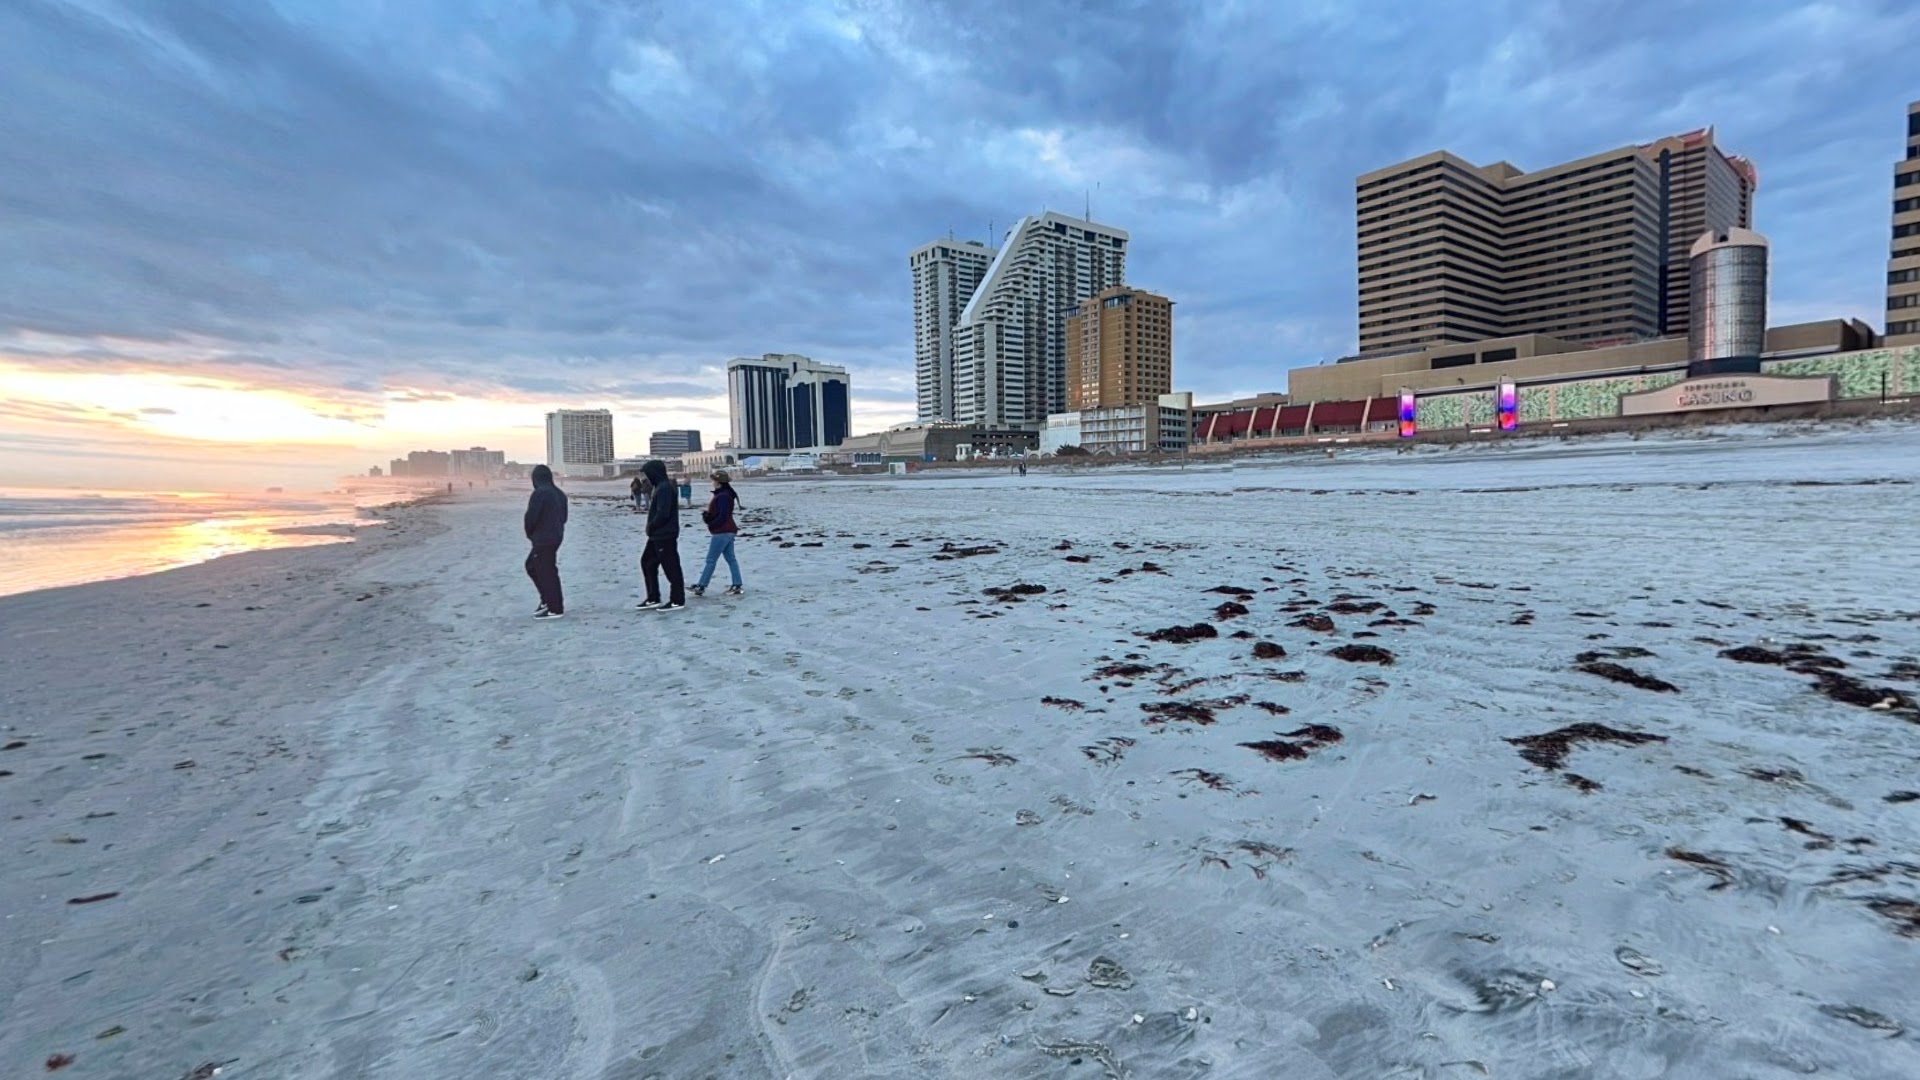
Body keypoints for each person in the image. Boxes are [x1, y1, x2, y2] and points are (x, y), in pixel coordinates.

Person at [636, 459, 685, 612]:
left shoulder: (664, 488)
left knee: (671, 567)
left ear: (655, 473)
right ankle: (653, 597)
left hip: (664, 535)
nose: (647, 477)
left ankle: (677, 600)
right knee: (647, 563)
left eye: (648, 473)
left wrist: (651, 526)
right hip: (657, 535)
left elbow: (663, 513)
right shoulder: (660, 486)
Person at [523, 464, 568, 619]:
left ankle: (555, 608)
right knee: (533, 566)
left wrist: (531, 535)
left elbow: (531, 518)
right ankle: (547, 600)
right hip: (555, 537)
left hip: (544, 539)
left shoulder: (540, 493)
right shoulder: (559, 493)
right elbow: (564, 517)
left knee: (546, 571)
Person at [690, 470, 743, 597]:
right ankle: (737, 584)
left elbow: (723, 515)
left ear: (718, 482)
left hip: (722, 531)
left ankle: (701, 586)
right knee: (731, 559)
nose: (712, 483)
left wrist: (711, 523)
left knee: (711, 560)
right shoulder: (726, 494)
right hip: (728, 530)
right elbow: (723, 514)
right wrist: (710, 517)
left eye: (714, 481)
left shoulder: (723, 496)